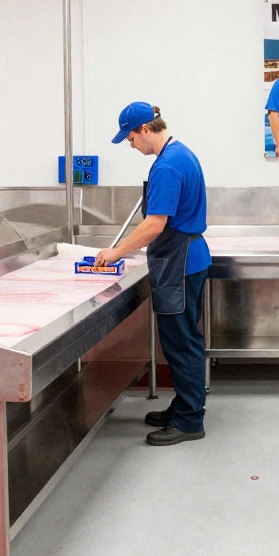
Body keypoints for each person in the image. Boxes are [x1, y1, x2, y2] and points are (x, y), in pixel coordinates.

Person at [96, 102, 212, 447]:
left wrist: (116, 252)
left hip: (180, 263)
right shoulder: (179, 154)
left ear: (146, 129)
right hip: (187, 259)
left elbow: (154, 224)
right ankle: (184, 406)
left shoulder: (168, 167)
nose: (132, 146)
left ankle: (190, 420)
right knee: (184, 337)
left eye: (131, 138)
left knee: (181, 342)